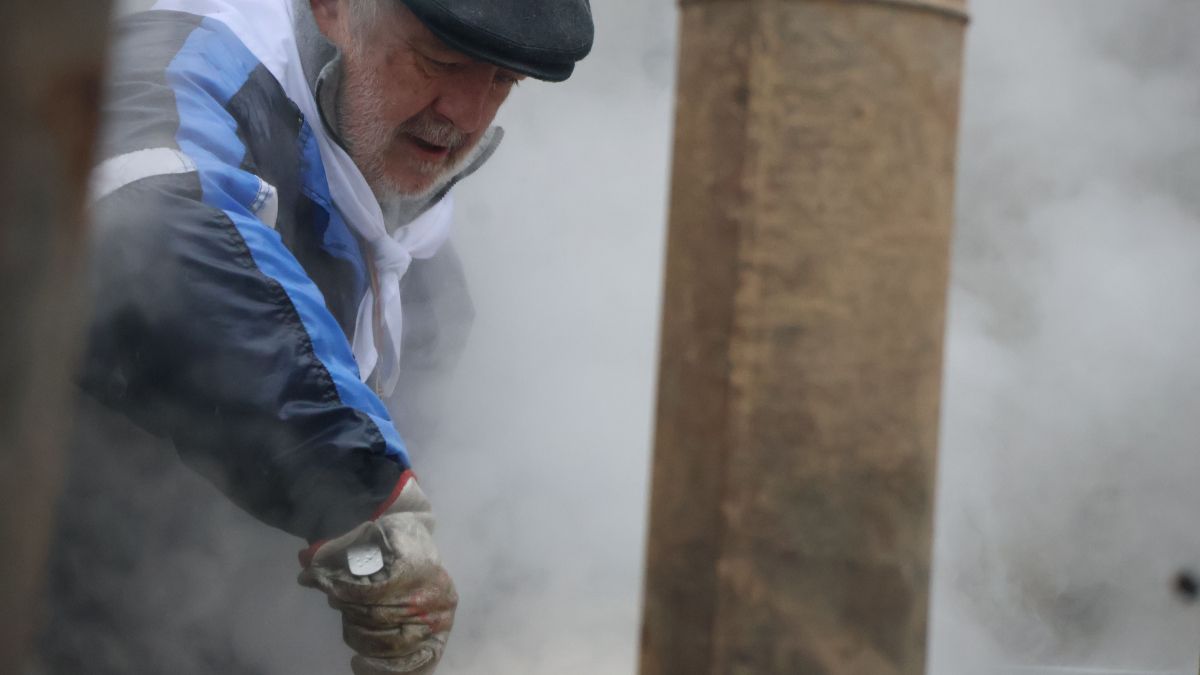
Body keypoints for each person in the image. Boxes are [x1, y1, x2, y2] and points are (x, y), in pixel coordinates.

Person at [42, 1, 592, 673]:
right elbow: (147, 221)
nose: (467, 114)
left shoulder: (433, 284)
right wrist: (363, 494)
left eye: (503, 80)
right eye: (441, 62)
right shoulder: (186, 59)